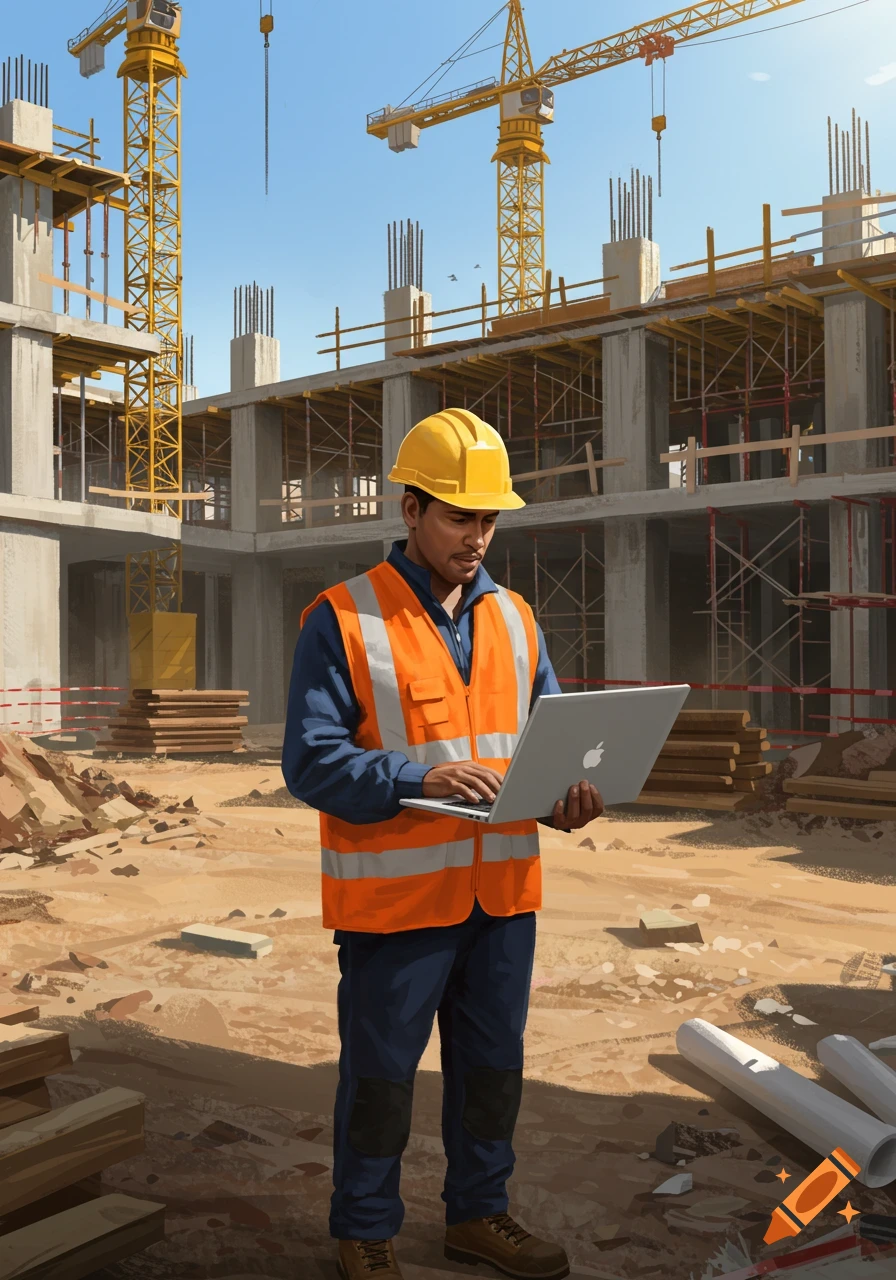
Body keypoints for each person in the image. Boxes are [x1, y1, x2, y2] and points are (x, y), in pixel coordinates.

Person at [282, 408, 603, 1280]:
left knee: (493, 1072)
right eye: (460, 516)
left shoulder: (517, 619)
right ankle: (365, 1229)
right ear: (412, 509)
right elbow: (310, 763)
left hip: (502, 897)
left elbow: (546, 743)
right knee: (382, 1079)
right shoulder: (343, 617)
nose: (478, 535)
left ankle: (479, 1216)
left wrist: (565, 799)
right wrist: (416, 778)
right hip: (396, 907)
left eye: (489, 518)